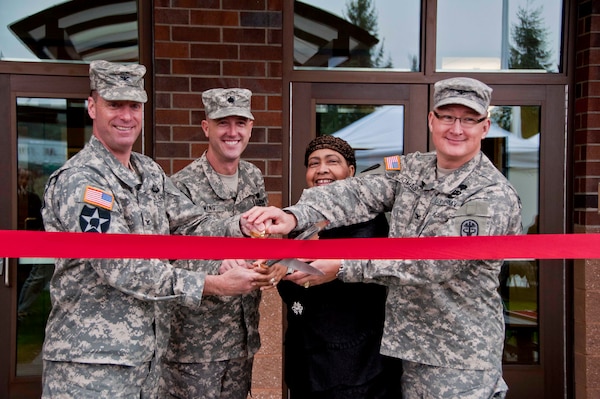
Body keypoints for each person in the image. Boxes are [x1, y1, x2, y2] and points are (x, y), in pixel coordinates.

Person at [244, 77, 523, 399]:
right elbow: (355, 192)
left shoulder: (490, 194)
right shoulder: (410, 168)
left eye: (468, 119)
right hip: (404, 346)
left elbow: (437, 262)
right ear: (432, 119)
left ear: (484, 126)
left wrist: (346, 266)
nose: (456, 128)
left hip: (457, 357)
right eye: (447, 116)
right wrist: (295, 215)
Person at [40, 60, 274, 398]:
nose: (125, 116)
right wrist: (212, 283)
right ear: (92, 107)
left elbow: (190, 223)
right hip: (90, 366)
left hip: (144, 360)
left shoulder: (147, 172)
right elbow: (121, 265)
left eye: (133, 105)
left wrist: (237, 225)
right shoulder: (83, 182)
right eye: (114, 104)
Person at [160, 88, 286, 399]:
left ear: (251, 127)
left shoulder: (253, 178)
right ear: (207, 128)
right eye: (223, 123)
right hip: (196, 343)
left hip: (242, 333)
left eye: (240, 123)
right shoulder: (181, 185)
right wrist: (217, 264)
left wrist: (268, 261)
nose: (233, 132)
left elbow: (261, 238)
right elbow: (170, 258)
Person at [277, 135, 403, 398]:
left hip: (358, 363)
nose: (322, 169)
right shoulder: (298, 220)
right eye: (314, 163)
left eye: (332, 161)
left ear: (352, 172)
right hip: (307, 360)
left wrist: (314, 270)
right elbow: (288, 286)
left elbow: (371, 277)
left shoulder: (370, 223)